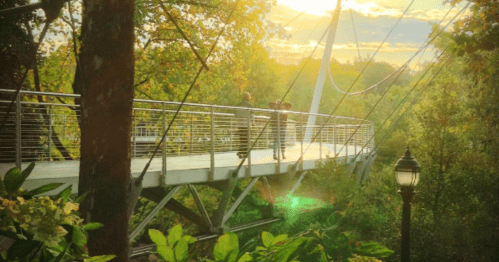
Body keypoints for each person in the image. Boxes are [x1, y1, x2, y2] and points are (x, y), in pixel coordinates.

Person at [234, 92, 254, 158]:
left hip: (240, 124)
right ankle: (243, 152)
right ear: (248, 97)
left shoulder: (238, 105)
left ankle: (242, 153)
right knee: (247, 139)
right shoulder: (249, 105)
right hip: (247, 124)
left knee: (242, 139)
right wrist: (253, 123)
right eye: (249, 97)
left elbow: (236, 115)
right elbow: (252, 116)